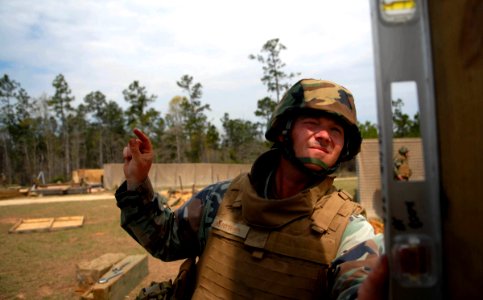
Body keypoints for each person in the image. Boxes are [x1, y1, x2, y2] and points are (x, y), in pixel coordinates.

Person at [116, 79, 386, 299]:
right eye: (312, 124)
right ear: (284, 130)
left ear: (343, 148)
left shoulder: (350, 230)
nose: (325, 135)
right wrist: (137, 182)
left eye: (336, 130)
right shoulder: (221, 199)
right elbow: (164, 239)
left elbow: (358, 285)